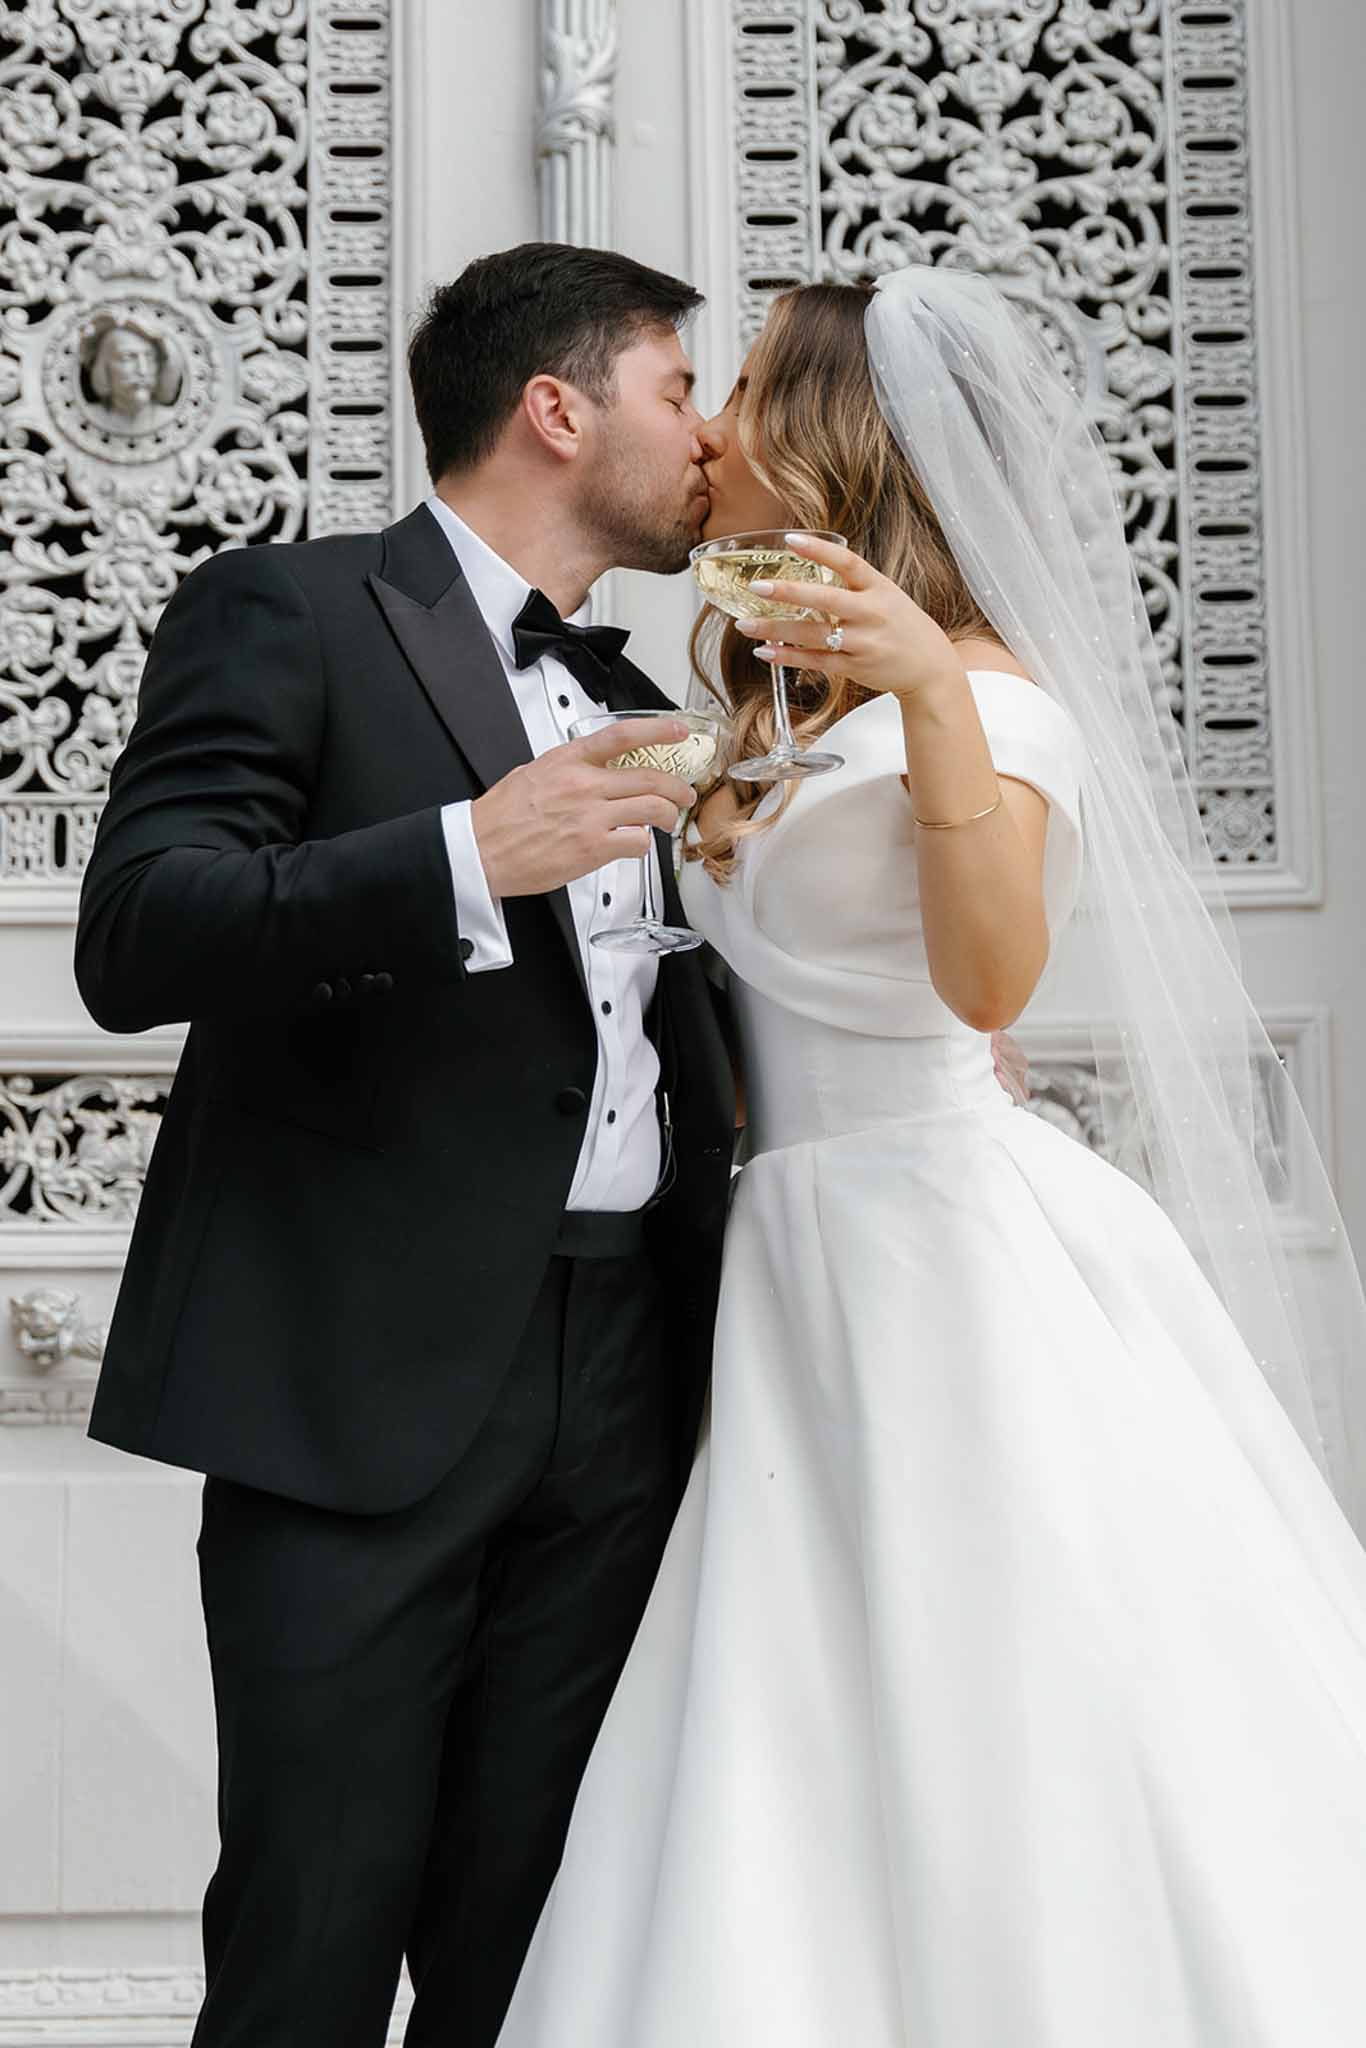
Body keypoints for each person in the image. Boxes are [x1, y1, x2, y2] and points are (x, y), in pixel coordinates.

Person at [494, 271, 1366, 2045]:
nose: (714, 424)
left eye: (742, 387)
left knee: (1002, 1664)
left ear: (835, 440)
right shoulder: (776, 713)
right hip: (787, 1247)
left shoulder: (996, 704)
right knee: (806, 1694)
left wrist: (934, 702)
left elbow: (987, 981)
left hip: (948, 1246)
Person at [73, 243, 734, 2048]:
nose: (708, 435)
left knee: (545, 1935)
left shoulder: (639, 686)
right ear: (556, 408)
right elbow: (140, 932)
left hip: (626, 1372)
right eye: (678, 391)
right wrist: (460, 854)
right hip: (354, 1376)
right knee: (314, 1921)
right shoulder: (287, 610)